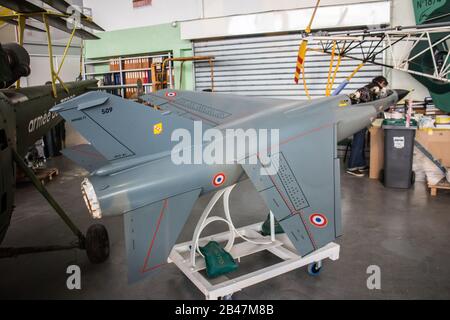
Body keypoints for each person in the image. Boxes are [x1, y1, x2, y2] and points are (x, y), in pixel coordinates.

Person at [346, 76, 388, 177]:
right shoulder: (367, 90)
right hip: (359, 119)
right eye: (384, 85)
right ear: (380, 82)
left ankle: (360, 164)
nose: (383, 88)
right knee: (358, 142)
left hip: (362, 119)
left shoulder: (370, 90)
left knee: (361, 142)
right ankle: (351, 167)